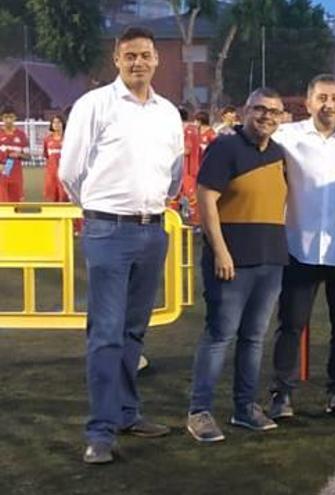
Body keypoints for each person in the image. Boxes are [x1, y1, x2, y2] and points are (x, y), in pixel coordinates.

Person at [58, 26, 184, 464]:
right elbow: (69, 173)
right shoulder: (95, 105)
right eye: (129, 55)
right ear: (116, 59)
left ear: (156, 60)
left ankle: (129, 413)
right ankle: (100, 431)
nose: (138, 63)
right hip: (108, 232)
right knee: (106, 335)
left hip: (153, 231)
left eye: (145, 55)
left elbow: (174, 172)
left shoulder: (169, 112)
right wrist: (101, 211)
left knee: (134, 332)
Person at [268, 74, 335, 420]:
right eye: (322, 98)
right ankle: (281, 393)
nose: (328, 104)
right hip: (299, 245)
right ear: (309, 103)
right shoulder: (286, 136)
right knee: (291, 324)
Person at [185, 88, 288, 443]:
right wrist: (221, 252)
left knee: (254, 337)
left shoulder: (279, 154)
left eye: (274, 111)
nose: (267, 116)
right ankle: (200, 411)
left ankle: (245, 408)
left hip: (270, 260)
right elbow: (206, 199)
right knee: (219, 336)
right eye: (260, 109)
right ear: (246, 111)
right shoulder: (226, 147)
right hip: (231, 262)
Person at [0, 107, 29, 202]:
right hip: (2, 175)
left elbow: (28, 156)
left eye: (11, 117)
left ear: (15, 118)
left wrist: (18, 155)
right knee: (3, 206)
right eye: (5, 117)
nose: (8, 120)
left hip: (16, 175)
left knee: (17, 206)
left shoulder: (21, 135)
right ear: (2, 118)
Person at [43, 115, 68, 202]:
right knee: (52, 198)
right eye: (54, 122)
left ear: (63, 124)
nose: (56, 124)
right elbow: (47, 156)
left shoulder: (69, 138)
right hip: (51, 174)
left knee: (64, 198)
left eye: (59, 122)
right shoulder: (47, 139)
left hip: (65, 173)